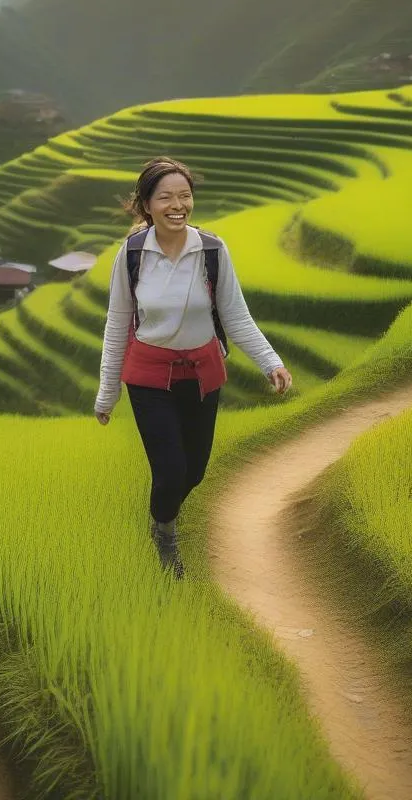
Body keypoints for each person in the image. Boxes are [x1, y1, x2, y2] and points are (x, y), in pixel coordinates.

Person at [94, 157, 292, 578]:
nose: (177, 204)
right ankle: (164, 534)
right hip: (149, 376)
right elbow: (116, 325)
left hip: (202, 373)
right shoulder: (131, 255)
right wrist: (107, 393)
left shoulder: (212, 251)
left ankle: (162, 515)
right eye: (165, 197)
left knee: (195, 470)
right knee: (170, 470)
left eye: (184, 195)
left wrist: (271, 362)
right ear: (147, 204)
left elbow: (236, 316)